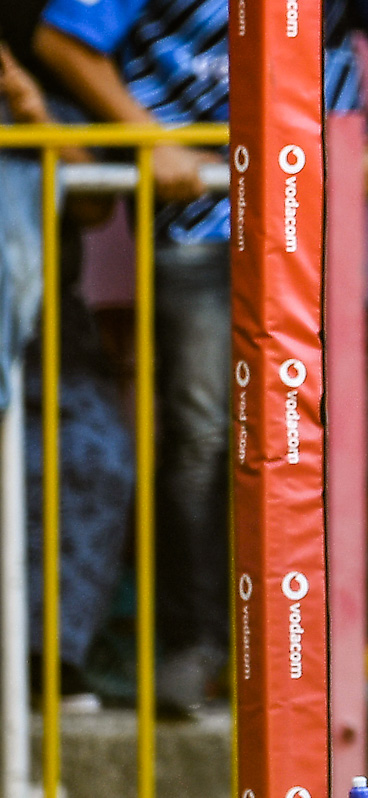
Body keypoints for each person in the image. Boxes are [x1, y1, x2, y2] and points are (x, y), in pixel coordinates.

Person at [33, 0, 368, 716]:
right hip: (196, 223)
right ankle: (199, 647)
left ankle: (326, 659)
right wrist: (150, 139)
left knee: (316, 439)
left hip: (313, 222)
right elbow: (62, 40)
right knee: (201, 438)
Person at [0, 30, 129, 714]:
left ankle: (48, 657)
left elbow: (94, 202)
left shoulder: (39, 97)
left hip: (47, 315)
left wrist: (31, 112)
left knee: (97, 459)